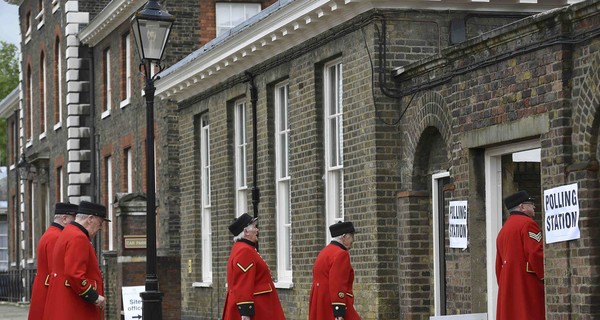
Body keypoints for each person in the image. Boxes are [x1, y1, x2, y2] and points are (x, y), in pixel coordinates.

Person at [42, 201, 110, 320]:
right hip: (74, 304)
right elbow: (74, 273)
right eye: (100, 223)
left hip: (64, 300)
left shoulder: (68, 232)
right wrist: (94, 297)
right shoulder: (78, 237)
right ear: (90, 219)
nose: (100, 228)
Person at [222, 213, 286, 320]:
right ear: (246, 231)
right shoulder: (244, 251)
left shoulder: (244, 248)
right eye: (255, 227)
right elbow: (243, 283)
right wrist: (245, 314)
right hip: (257, 311)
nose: (257, 230)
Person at [496, 190, 545, 320]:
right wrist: (546, 276)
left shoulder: (503, 230)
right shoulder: (528, 224)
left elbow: (498, 266)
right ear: (522, 207)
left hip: (508, 286)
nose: (534, 206)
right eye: (531, 203)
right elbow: (536, 253)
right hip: (527, 284)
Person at [28, 202, 78, 320]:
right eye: (74, 218)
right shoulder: (57, 237)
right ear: (65, 219)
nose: (77, 222)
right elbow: (55, 270)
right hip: (49, 290)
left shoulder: (51, 233)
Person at [309, 221, 361, 320]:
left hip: (319, 301)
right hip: (332, 301)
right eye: (351, 236)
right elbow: (337, 283)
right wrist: (339, 311)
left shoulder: (325, 252)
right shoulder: (341, 254)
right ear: (344, 236)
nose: (353, 240)